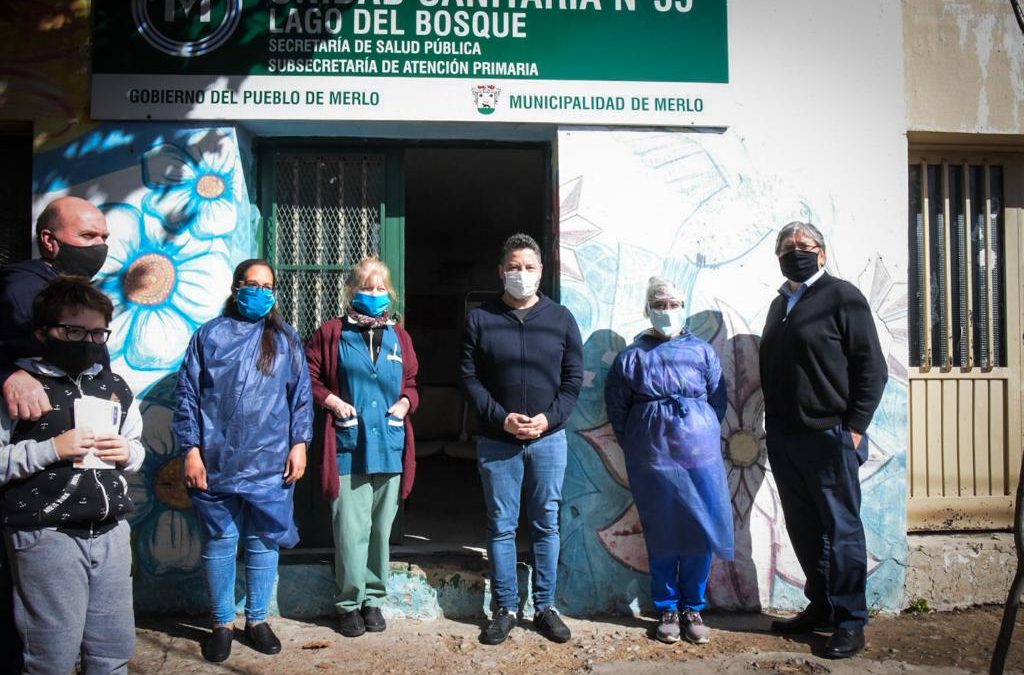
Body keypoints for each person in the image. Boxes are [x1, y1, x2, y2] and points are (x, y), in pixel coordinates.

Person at [0, 276, 143, 673]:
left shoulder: (115, 386)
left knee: (113, 652)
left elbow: (137, 446)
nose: (87, 341)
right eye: (73, 330)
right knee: (51, 657)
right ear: (44, 332)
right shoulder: (20, 388)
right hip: (46, 536)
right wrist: (51, 450)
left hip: (111, 533)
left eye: (98, 333)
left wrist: (128, 452)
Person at [174, 259, 313, 663]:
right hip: (215, 459)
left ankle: (257, 619)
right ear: (236, 288)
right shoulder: (209, 336)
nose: (260, 291)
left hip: (271, 459)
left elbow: (300, 395)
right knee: (220, 541)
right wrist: (191, 450)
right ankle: (221, 623)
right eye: (252, 284)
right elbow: (187, 395)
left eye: (267, 285)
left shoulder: (285, 337)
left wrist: (299, 443)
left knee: (263, 540)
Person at [759, 222, 887, 659]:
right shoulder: (781, 304)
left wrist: (853, 427)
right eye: (787, 246)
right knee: (804, 529)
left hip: (830, 436)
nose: (796, 252)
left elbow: (873, 368)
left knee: (842, 530)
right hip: (786, 438)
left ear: (823, 253)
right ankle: (823, 605)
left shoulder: (842, 296)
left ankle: (851, 621)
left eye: (804, 246)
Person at [0, 196, 109, 673]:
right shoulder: (23, 287)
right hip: (38, 509)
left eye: (104, 237)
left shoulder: (77, 291)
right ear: (49, 240)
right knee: (47, 644)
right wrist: (6, 371)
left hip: (87, 497)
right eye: (88, 237)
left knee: (102, 640)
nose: (100, 246)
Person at [461, 233, 583, 646]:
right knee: (501, 526)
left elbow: (572, 381)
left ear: (542, 272)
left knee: (546, 522)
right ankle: (505, 608)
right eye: (514, 267)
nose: (521, 274)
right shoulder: (481, 319)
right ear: (501, 271)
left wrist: (548, 420)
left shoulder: (561, 318)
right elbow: (468, 377)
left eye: (529, 267)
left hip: (549, 440)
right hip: (498, 441)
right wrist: (500, 417)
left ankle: (546, 606)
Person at [604, 277, 733, 645]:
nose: (667, 310)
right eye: (659, 304)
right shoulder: (632, 357)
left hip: (700, 457)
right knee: (661, 530)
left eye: (674, 303)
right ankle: (667, 608)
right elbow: (618, 408)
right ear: (648, 309)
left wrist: (698, 431)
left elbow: (717, 399)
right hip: (652, 458)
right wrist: (641, 440)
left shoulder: (703, 353)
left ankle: (693, 606)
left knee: (699, 528)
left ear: (684, 306)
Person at [305, 257, 420, 638]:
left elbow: (412, 383)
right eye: (366, 287)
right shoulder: (331, 333)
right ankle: (349, 603)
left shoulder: (399, 337)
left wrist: (405, 404)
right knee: (350, 529)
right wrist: (333, 402)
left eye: (380, 288)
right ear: (351, 291)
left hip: (388, 443)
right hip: (348, 443)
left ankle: (374, 599)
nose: (374, 294)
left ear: (390, 293)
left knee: (380, 530)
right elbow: (311, 378)